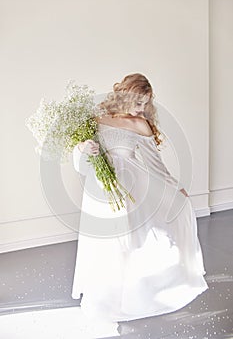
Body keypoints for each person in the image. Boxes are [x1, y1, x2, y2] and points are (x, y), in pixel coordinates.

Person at [71, 73, 208, 323]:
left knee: (134, 238)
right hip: (102, 187)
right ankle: (108, 297)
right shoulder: (97, 120)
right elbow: (80, 162)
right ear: (124, 96)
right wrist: (82, 149)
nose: (142, 109)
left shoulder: (141, 125)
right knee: (108, 242)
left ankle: (139, 294)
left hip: (134, 188)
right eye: (138, 103)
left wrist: (176, 189)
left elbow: (156, 166)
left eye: (145, 103)